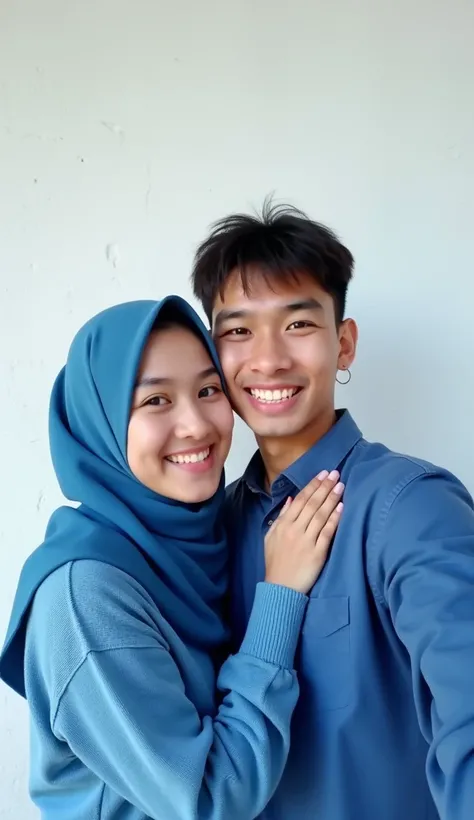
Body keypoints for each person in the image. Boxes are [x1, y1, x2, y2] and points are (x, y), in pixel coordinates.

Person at [0, 296, 344, 820]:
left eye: (208, 390)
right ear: (103, 426)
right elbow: (209, 802)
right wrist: (279, 597)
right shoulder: (85, 597)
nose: (196, 426)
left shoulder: (203, 540)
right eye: (156, 401)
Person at [191, 201, 474, 820]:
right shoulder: (211, 527)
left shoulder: (412, 505)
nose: (267, 359)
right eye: (238, 330)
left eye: (297, 325)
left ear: (343, 344)